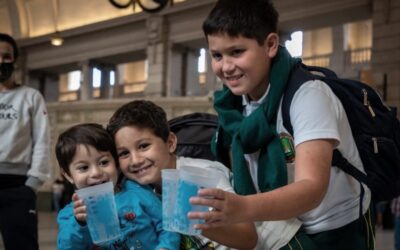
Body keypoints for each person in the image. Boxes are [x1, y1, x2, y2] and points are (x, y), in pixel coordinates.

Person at [187, 0, 375, 249]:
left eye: (237, 52)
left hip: (335, 229)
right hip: (280, 227)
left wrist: (243, 207)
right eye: (217, 55)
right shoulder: (232, 104)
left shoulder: (308, 95)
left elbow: (311, 188)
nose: (226, 67)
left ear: (271, 45)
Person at [106, 100, 258, 250]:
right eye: (124, 153)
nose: (135, 160)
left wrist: (192, 221)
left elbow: (249, 238)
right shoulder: (143, 192)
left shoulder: (202, 175)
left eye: (144, 146)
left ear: (170, 143)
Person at [55, 123, 180, 250]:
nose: (96, 173)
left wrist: (165, 247)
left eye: (103, 162)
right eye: (83, 167)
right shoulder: (69, 216)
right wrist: (79, 223)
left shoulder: (138, 192)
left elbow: (168, 225)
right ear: (68, 175)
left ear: (116, 164)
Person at [0, 33, 51, 250]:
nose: (1, 61)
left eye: (6, 56)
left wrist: (32, 184)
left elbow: (42, 140)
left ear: (15, 60)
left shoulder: (31, 97)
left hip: (18, 187)